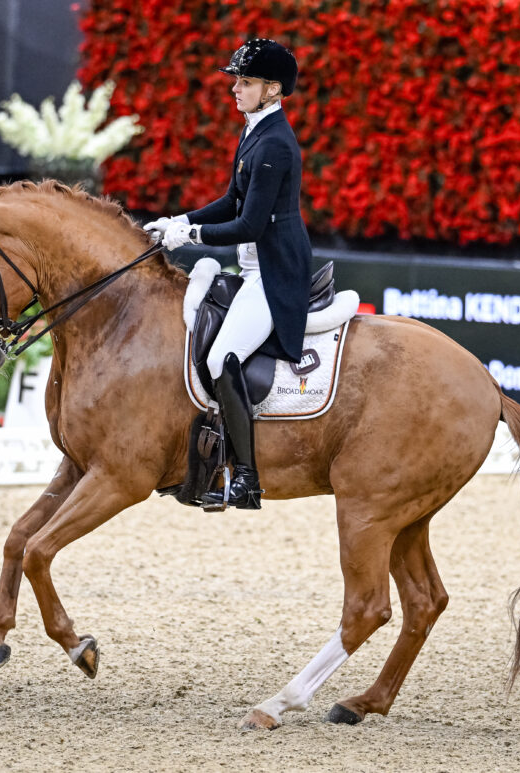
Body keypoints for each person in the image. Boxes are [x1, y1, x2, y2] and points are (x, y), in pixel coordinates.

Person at [146, 38, 313, 510]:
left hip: (275, 272)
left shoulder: (275, 144)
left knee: (223, 360)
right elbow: (230, 201)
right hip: (252, 264)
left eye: (245, 82)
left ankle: (248, 479)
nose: (234, 89)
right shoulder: (254, 131)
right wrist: (180, 220)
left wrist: (192, 236)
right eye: (236, 80)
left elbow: (249, 224)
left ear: (273, 89)